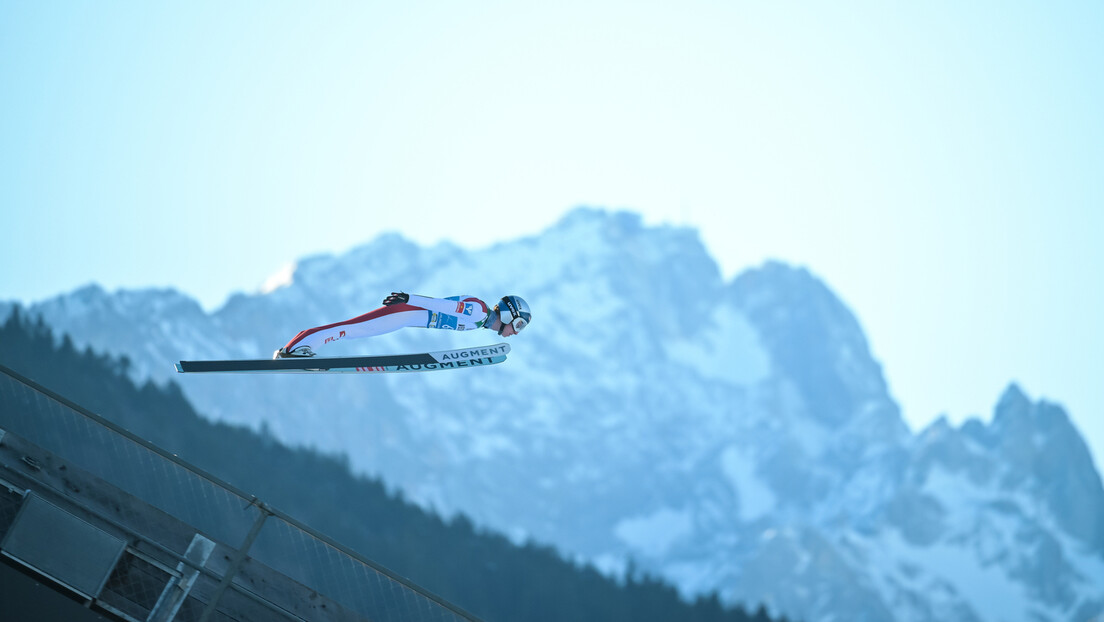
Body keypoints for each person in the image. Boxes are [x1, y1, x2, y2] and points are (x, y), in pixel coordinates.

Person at [273, 293, 531, 358]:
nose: (514, 332)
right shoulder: (478, 310)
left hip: (404, 319)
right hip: (403, 312)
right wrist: (409, 299)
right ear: (509, 314)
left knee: (350, 330)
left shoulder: (477, 323)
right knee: (350, 328)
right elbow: (442, 305)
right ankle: (295, 349)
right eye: (518, 325)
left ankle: (297, 346)